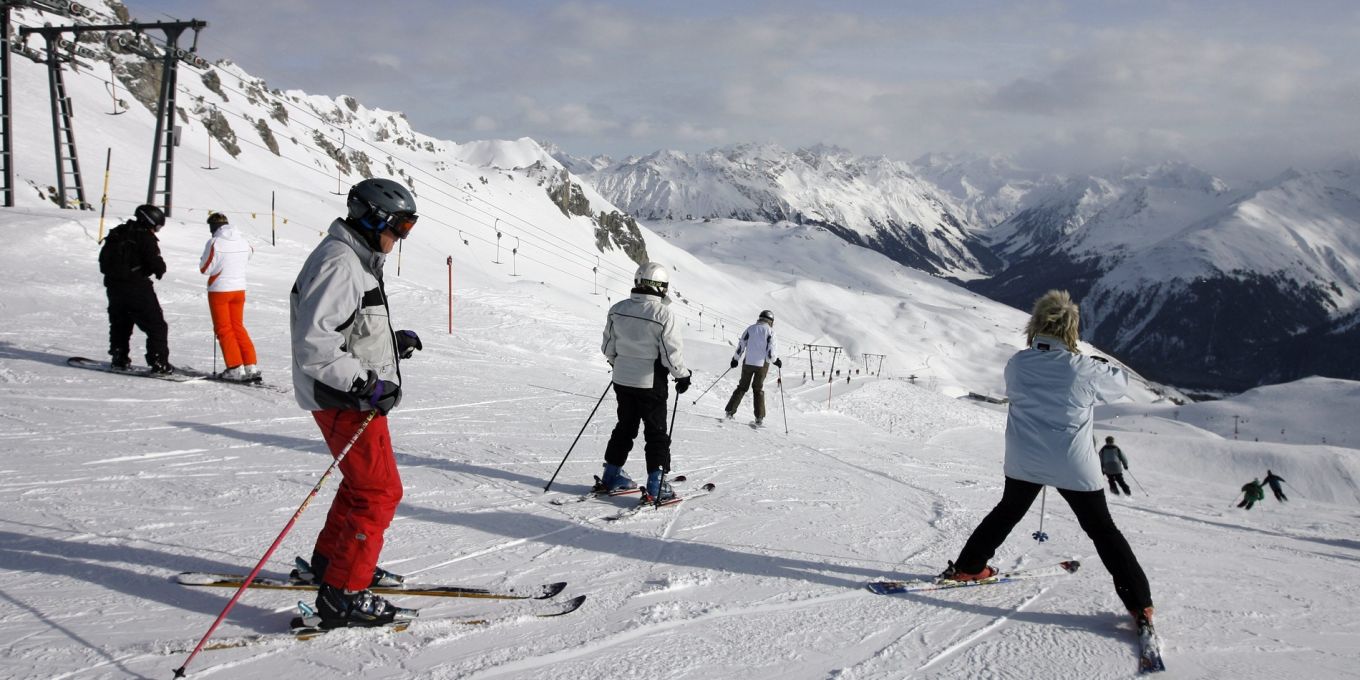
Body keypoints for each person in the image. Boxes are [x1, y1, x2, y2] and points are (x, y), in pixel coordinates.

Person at [939, 290, 1155, 628]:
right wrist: (1091, 362)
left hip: (1025, 457)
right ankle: (1139, 604)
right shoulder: (1083, 367)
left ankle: (969, 566)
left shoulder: (1017, 363)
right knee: (1102, 530)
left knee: (1007, 512)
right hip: (1073, 463)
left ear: (1035, 325)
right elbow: (1119, 386)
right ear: (1071, 330)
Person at [290, 178, 424, 628]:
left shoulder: (355, 258)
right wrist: (366, 384)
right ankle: (344, 592)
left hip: (348, 396)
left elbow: (350, 325)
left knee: (359, 486)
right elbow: (316, 345)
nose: (401, 237)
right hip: (344, 399)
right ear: (372, 219)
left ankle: (333, 564)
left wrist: (389, 341)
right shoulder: (340, 263)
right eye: (400, 226)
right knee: (378, 492)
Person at [597, 261, 692, 503]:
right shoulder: (663, 314)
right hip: (651, 383)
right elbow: (670, 353)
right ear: (661, 287)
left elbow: (608, 347)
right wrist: (682, 375)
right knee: (656, 431)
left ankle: (611, 474)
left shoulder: (617, 309)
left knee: (625, 426)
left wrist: (618, 364)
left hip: (622, 379)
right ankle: (656, 483)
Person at [99, 204, 172, 374]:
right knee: (157, 326)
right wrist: (159, 268)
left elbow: (103, 259)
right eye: (158, 226)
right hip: (136, 287)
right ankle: (159, 362)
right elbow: (155, 262)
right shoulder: (145, 237)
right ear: (150, 221)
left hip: (113, 286)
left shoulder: (118, 232)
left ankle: (119, 357)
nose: (157, 230)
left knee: (120, 323)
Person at [198, 212, 259, 381]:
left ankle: (234, 367)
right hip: (239, 288)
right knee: (237, 326)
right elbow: (249, 256)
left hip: (220, 290)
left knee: (224, 328)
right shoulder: (243, 240)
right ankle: (250, 365)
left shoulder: (215, 242)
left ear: (213, 227)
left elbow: (205, 269)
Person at [723, 310, 781, 426]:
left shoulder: (750, 329)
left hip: (748, 363)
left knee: (742, 387)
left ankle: (729, 412)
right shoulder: (770, 332)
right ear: (770, 321)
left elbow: (741, 345)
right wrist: (776, 361)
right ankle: (759, 418)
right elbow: (771, 352)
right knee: (758, 389)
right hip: (762, 365)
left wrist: (735, 359)